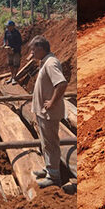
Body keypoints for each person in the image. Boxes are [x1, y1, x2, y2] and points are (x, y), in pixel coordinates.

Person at [29, 35, 68, 188]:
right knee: (46, 143)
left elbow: (62, 84)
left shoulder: (51, 63)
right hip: (43, 112)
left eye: (33, 50)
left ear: (41, 49)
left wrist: (52, 102)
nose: (32, 53)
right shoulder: (45, 61)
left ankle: (53, 176)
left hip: (49, 113)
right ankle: (49, 168)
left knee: (51, 144)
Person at [3, 20, 22, 84]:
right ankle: (12, 76)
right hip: (9, 50)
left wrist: (13, 49)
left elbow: (20, 43)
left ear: (12, 26)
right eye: (7, 26)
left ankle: (14, 77)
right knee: (10, 63)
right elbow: (5, 39)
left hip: (16, 51)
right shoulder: (6, 32)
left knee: (16, 64)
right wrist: (5, 44)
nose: (7, 27)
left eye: (8, 26)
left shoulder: (17, 33)